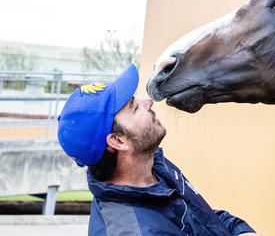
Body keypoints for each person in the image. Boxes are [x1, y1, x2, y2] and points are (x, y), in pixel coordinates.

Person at [57, 64, 257, 236]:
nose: (148, 102)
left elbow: (202, 220)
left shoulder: (152, 166)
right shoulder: (136, 230)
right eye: (134, 108)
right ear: (118, 140)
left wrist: (240, 230)